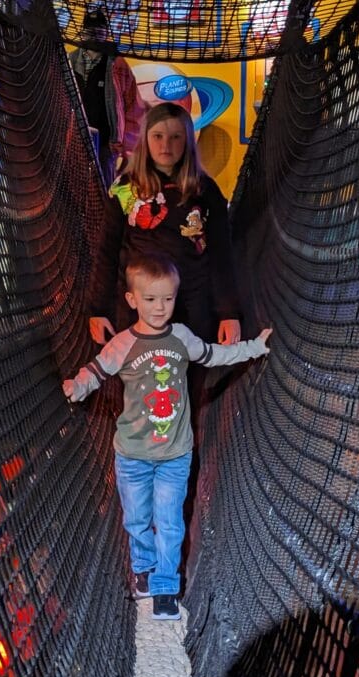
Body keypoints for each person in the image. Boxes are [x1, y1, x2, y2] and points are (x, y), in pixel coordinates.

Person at [63, 253, 272, 620]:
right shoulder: (124, 344)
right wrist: (78, 386)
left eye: (167, 299)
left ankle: (164, 588)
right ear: (132, 300)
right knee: (136, 519)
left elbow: (213, 355)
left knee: (170, 519)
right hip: (132, 454)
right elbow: (96, 371)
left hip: (175, 454)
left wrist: (253, 347)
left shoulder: (180, 337)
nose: (159, 307)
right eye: (150, 299)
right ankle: (143, 572)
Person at [89, 101, 241, 346]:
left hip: (192, 307)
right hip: (137, 309)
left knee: (188, 377)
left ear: (188, 141)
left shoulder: (204, 190)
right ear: (146, 139)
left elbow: (222, 256)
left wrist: (229, 313)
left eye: (175, 137)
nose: (165, 145)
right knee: (141, 378)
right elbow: (107, 251)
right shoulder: (126, 188)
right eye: (158, 136)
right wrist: (98, 310)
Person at [69, 8, 143, 183]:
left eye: (99, 30)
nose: (94, 35)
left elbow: (133, 108)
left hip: (105, 145)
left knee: (104, 192)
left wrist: (128, 150)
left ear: (106, 32)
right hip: (72, 141)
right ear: (83, 31)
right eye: (90, 30)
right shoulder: (69, 61)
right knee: (71, 189)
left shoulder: (118, 65)